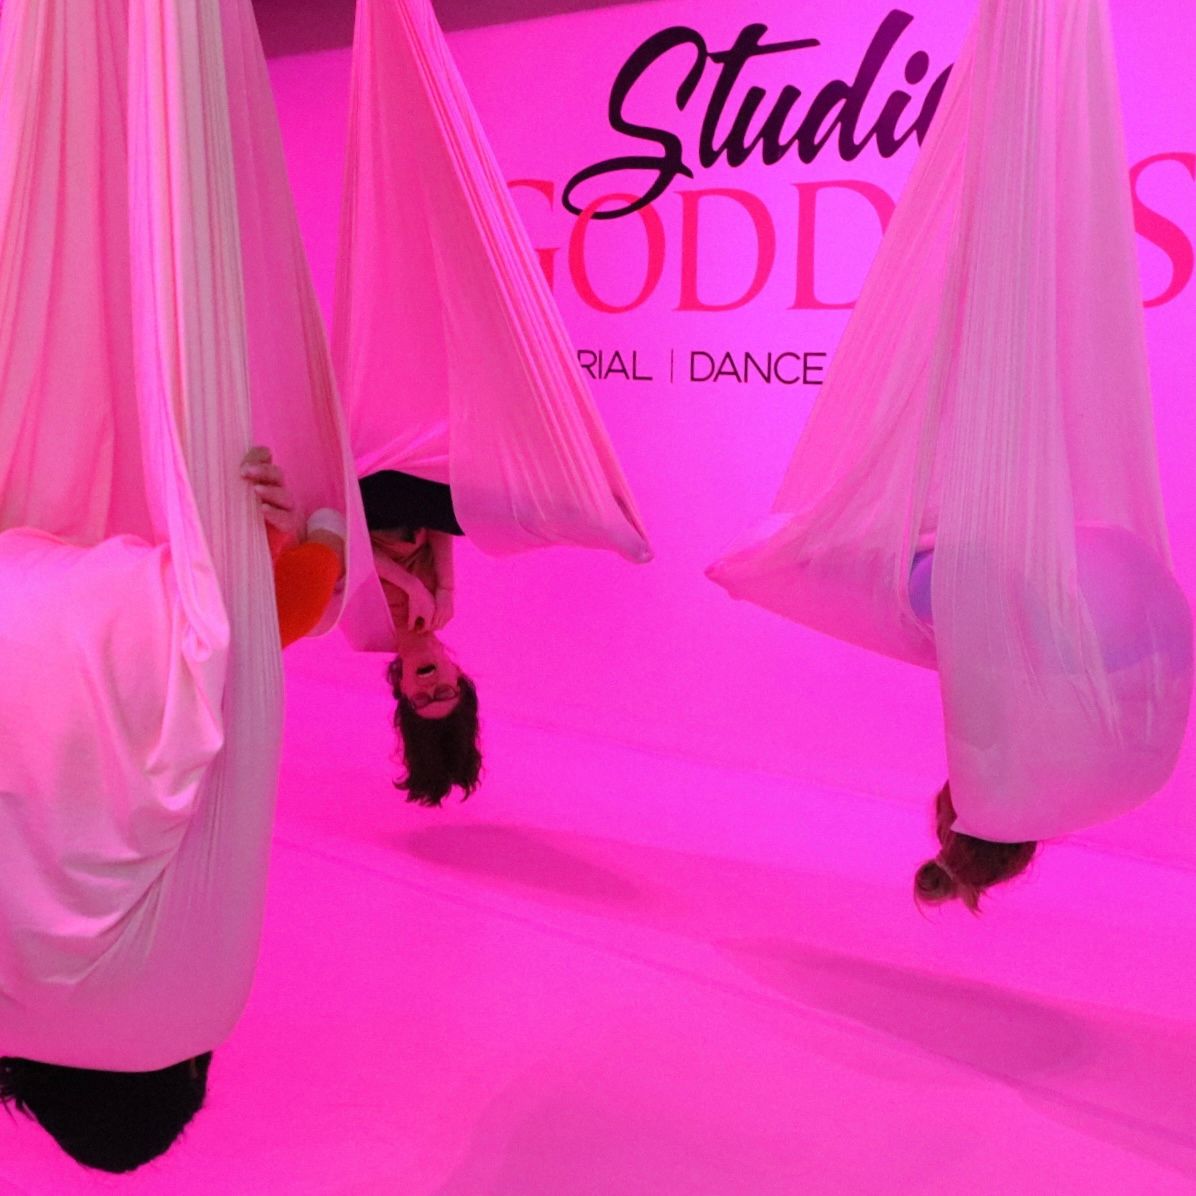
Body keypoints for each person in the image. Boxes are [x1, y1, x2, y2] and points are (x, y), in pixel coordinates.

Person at [0, 448, 343, 1174]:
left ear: (185, 1071)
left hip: (117, 620)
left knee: (225, 653)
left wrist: (323, 543)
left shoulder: (199, 993)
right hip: (22, 592)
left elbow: (242, 656)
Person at [360, 470, 482, 806]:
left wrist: (410, 584)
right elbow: (438, 520)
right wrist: (445, 587)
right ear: (459, 676)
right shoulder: (441, 612)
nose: (430, 688)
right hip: (412, 485)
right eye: (444, 692)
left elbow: (346, 547)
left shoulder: (367, 634)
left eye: (423, 700)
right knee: (461, 511)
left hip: (365, 503)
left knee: (457, 509)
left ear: (404, 691)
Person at [913, 783, 1039, 912]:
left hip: (1028, 795)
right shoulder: (944, 831)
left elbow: (1029, 838)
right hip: (992, 778)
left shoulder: (984, 873)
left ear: (953, 893)